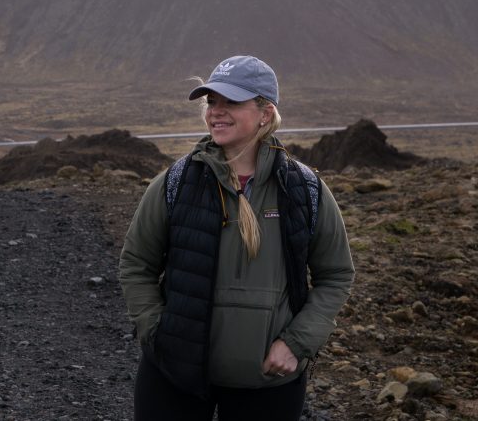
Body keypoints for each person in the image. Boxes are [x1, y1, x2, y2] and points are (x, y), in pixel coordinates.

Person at [118, 55, 354, 420]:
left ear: (265, 112)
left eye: (232, 101)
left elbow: (336, 274)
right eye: (212, 101)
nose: (217, 111)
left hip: (268, 380)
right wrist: (156, 333)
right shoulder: (176, 183)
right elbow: (136, 264)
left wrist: (297, 343)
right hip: (175, 373)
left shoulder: (304, 189)